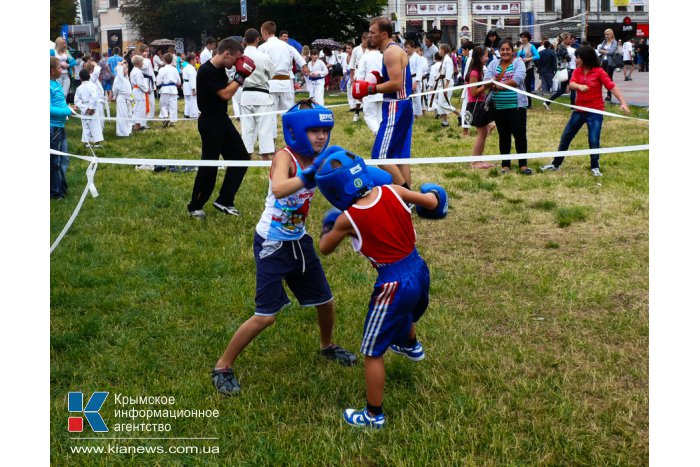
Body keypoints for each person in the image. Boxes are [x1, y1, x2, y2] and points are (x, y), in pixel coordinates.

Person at [211, 102, 358, 396]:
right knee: (266, 316)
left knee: (326, 301)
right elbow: (279, 189)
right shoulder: (284, 156)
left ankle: (327, 346)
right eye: (314, 130)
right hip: (271, 243)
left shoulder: (321, 157)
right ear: (296, 131)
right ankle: (222, 366)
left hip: (299, 240)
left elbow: (343, 188)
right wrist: (309, 174)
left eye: (325, 130)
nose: (320, 137)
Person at [315, 149, 441, 429]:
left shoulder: (348, 219)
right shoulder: (394, 190)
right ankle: (411, 346)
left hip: (391, 282)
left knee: (372, 351)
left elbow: (325, 248)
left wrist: (330, 227)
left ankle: (373, 415)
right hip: (419, 268)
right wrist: (434, 194)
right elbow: (432, 202)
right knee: (405, 309)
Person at [187, 38, 256, 219]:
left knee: (241, 158)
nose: (237, 63)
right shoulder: (206, 70)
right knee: (209, 165)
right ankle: (195, 206)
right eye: (236, 59)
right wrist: (241, 77)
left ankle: (225, 200)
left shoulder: (220, 69)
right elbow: (225, 94)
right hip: (210, 122)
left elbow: (224, 90)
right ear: (226, 54)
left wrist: (236, 77)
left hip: (222, 119)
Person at [540, 46, 630, 177]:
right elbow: (571, 84)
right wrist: (579, 86)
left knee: (594, 140)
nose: (575, 60)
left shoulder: (599, 72)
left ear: (585, 58)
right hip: (579, 110)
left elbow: (611, 86)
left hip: (595, 112)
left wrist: (623, 103)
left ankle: (595, 166)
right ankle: (555, 164)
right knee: (566, 136)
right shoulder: (577, 71)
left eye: (577, 57)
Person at [353, 17, 413, 188]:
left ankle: (405, 194)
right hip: (401, 104)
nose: (369, 36)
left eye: (373, 33)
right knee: (400, 157)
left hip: (396, 105)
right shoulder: (390, 51)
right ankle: (408, 200)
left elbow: (395, 83)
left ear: (384, 34)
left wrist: (371, 88)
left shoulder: (390, 52)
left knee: (380, 156)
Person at [484, 40, 532, 175]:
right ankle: (505, 165)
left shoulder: (518, 62)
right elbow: (487, 80)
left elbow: (518, 79)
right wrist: (491, 82)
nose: (505, 52)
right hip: (498, 107)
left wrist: (498, 85)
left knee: (520, 135)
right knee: (503, 136)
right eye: (502, 49)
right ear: (499, 51)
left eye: (508, 49)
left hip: (517, 107)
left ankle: (523, 165)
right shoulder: (493, 63)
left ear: (512, 51)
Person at [259, 21, 309, 138]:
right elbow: (300, 59)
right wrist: (304, 67)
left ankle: (272, 140)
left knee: (271, 114)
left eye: (262, 33)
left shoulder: (263, 47)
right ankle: (293, 136)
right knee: (288, 112)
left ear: (265, 32)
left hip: (271, 83)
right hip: (286, 83)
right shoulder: (287, 46)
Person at [240, 27, 276, 161]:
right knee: (264, 127)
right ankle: (265, 156)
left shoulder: (241, 57)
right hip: (262, 94)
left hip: (246, 95)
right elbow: (272, 74)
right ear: (257, 39)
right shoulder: (263, 56)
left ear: (245, 40)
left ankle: (246, 155)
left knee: (247, 127)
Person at [462, 46, 494, 169]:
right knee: (481, 134)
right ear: (480, 57)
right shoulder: (474, 72)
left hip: (479, 104)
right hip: (475, 105)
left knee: (484, 133)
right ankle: (475, 162)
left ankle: (478, 159)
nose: (487, 58)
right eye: (486, 56)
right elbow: (474, 92)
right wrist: (487, 85)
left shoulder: (478, 71)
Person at [50, 56, 74, 199]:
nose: (62, 69)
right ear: (53, 71)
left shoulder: (57, 84)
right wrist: (66, 111)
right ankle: (55, 193)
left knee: (64, 159)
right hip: (52, 128)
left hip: (60, 127)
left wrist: (69, 108)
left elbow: (60, 103)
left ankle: (61, 188)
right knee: (55, 162)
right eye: (60, 67)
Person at [356, 41, 383, 135]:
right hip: (382, 89)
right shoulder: (382, 56)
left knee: (369, 116)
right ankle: (381, 135)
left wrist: (359, 93)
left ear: (367, 46)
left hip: (368, 90)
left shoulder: (365, 57)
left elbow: (360, 76)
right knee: (380, 117)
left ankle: (379, 134)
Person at [545, 32, 576, 110]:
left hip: (563, 69)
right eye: (569, 38)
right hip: (567, 70)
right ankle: (573, 108)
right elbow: (568, 59)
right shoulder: (562, 47)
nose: (570, 40)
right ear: (565, 39)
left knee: (562, 89)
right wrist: (570, 57)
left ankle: (547, 102)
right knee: (573, 89)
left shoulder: (560, 46)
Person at [75, 69, 104, 148]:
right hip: (93, 108)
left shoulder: (79, 88)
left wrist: (85, 109)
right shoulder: (93, 86)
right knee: (95, 125)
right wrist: (90, 108)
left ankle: (87, 142)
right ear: (89, 76)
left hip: (84, 107)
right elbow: (94, 96)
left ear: (80, 78)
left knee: (86, 125)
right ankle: (96, 143)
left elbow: (76, 101)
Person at [434, 44, 461, 127]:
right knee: (441, 103)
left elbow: (449, 75)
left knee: (443, 103)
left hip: (447, 84)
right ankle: (444, 122)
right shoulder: (444, 59)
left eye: (439, 49)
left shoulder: (448, 60)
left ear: (443, 50)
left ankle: (460, 115)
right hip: (442, 83)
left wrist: (445, 87)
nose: (438, 51)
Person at [156, 53, 181, 128]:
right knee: (173, 105)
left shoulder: (162, 69)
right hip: (173, 89)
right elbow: (179, 81)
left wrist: (158, 84)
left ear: (164, 60)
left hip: (165, 89)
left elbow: (158, 81)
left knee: (163, 105)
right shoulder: (175, 69)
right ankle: (172, 121)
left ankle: (165, 118)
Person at [516, 31, 540, 108]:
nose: (523, 39)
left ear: (528, 38)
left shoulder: (531, 46)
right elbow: (517, 56)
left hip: (528, 68)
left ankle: (529, 103)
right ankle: (522, 102)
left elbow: (537, 56)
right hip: (520, 68)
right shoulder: (520, 46)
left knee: (527, 85)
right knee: (520, 85)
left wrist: (528, 59)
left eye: (524, 37)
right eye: (522, 37)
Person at [348, 33, 368, 122]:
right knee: (358, 94)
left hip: (368, 73)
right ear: (362, 39)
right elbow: (352, 64)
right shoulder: (356, 49)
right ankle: (356, 113)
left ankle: (367, 113)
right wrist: (352, 77)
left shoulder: (370, 49)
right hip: (357, 72)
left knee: (368, 94)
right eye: (366, 40)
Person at [111, 59, 133, 137]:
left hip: (128, 99)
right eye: (124, 69)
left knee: (129, 115)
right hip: (121, 99)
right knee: (122, 115)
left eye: (126, 68)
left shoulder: (126, 79)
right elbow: (115, 90)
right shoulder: (118, 78)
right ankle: (122, 132)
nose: (126, 70)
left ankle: (128, 129)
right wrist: (120, 65)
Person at [596, 29, 618, 102]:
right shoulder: (604, 41)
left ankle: (609, 95)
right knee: (601, 78)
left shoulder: (614, 42)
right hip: (603, 61)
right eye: (605, 34)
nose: (606, 36)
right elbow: (599, 50)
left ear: (611, 34)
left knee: (608, 78)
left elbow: (611, 52)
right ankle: (599, 94)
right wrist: (606, 51)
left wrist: (604, 51)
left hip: (610, 62)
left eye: (608, 34)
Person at [405, 40, 424, 120]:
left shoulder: (417, 58)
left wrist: (416, 82)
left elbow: (420, 70)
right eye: (405, 47)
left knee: (416, 98)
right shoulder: (406, 56)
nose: (406, 49)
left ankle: (416, 115)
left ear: (413, 48)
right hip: (407, 78)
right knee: (408, 97)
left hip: (414, 78)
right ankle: (410, 114)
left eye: (408, 48)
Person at [130, 55, 149, 131]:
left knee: (137, 107)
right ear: (139, 63)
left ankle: (138, 124)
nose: (142, 64)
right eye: (142, 62)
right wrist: (146, 89)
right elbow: (140, 83)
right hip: (138, 91)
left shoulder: (134, 70)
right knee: (139, 108)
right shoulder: (137, 71)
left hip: (136, 90)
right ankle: (137, 125)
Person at [139, 45, 157, 119]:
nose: (147, 53)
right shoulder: (140, 60)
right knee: (145, 98)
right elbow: (143, 67)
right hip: (144, 80)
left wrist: (154, 82)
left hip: (150, 80)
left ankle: (151, 115)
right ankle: (146, 114)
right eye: (145, 51)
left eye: (148, 51)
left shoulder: (148, 60)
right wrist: (145, 59)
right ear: (141, 52)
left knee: (151, 100)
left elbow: (151, 72)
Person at [182, 53, 199, 118]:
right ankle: (193, 114)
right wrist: (194, 89)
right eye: (195, 59)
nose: (196, 61)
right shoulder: (191, 68)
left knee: (187, 100)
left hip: (185, 84)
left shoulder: (185, 67)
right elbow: (192, 79)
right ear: (191, 60)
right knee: (193, 100)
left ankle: (187, 113)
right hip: (190, 85)